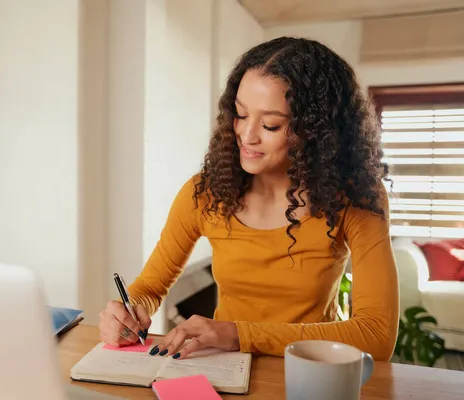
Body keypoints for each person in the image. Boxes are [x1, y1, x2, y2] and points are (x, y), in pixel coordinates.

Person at [98, 36, 399, 361]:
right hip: (222, 368)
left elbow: (376, 334)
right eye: (241, 115)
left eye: (270, 124)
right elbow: (150, 287)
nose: (247, 135)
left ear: (317, 132)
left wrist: (239, 335)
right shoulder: (205, 193)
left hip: (311, 371)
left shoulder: (355, 198)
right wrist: (129, 312)